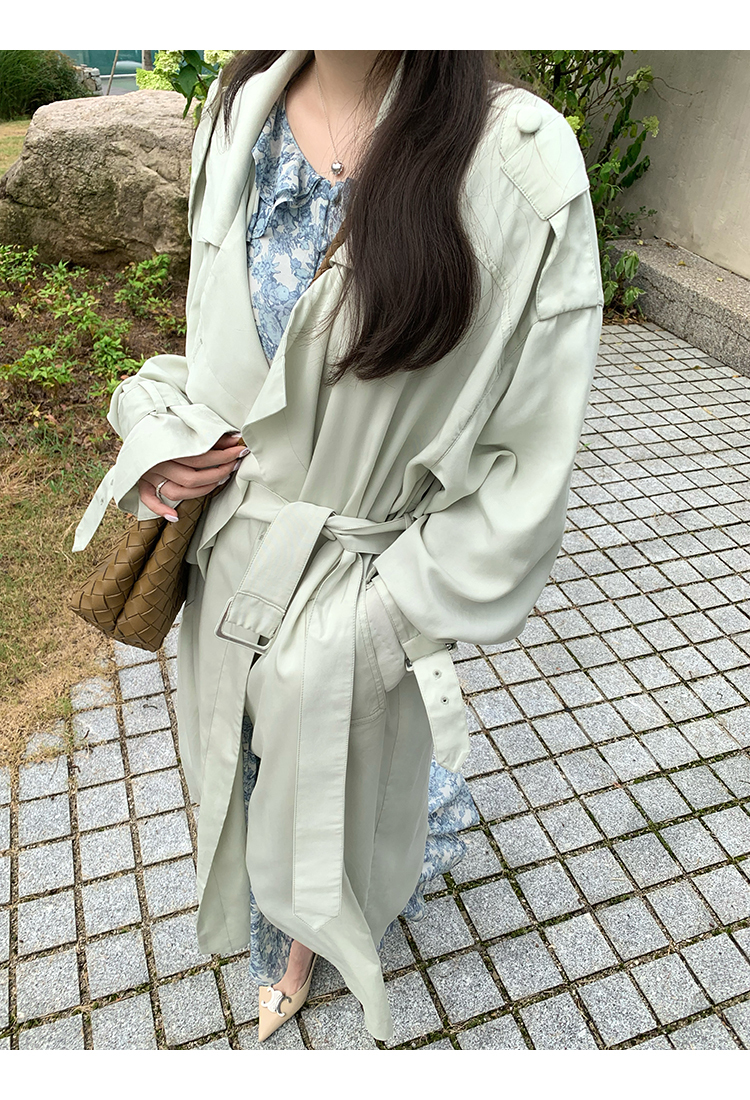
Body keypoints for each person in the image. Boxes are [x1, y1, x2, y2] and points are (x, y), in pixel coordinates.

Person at [73, 50, 603, 1044]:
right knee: (243, 769)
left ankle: (306, 942)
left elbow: (527, 467)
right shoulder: (239, 109)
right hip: (229, 560)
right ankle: (276, 935)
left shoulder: (519, 162)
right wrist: (162, 445)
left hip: (360, 580)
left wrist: (374, 624)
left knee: (339, 790)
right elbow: (225, 360)